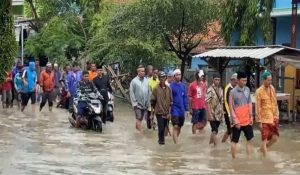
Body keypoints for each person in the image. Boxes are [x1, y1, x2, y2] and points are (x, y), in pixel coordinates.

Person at [229, 72, 254, 159]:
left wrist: (251, 116)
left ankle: (249, 158)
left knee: (250, 139)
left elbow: (249, 102)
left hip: (247, 120)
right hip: (237, 122)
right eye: (243, 80)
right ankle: (234, 159)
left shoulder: (247, 89)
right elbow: (231, 108)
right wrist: (235, 121)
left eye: (246, 80)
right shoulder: (232, 92)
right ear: (238, 80)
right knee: (234, 141)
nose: (245, 82)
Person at [256, 71, 279, 157]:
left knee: (275, 138)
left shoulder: (272, 88)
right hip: (264, 119)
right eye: (269, 80)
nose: (270, 82)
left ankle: (261, 150)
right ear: (264, 80)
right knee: (264, 140)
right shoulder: (259, 91)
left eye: (271, 80)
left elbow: (275, 102)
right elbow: (258, 107)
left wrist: (277, 115)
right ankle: (265, 160)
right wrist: (259, 122)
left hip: (273, 117)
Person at [151, 71, 173, 145]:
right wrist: (151, 114)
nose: (162, 79)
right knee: (160, 129)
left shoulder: (169, 89)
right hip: (159, 112)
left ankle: (161, 142)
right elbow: (152, 102)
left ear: (165, 78)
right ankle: (161, 143)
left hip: (167, 112)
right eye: (160, 77)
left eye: (163, 77)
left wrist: (169, 113)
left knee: (164, 129)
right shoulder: (155, 89)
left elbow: (171, 103)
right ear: (159, 78)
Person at [129, 65, 151, 132]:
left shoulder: (147, 81)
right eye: (142, 71)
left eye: (144, 71)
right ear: (138, 72)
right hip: (137, 104)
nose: (143, 72)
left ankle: (137, 131)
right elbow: (131, 93)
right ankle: (140, 134)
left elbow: (149, 92)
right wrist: (134, 104)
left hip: (145, 104)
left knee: (140, 119)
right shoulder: (134, 81)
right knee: (139, 117)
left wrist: (149, 103)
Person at [170, 69, 188, 144]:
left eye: (179, 74)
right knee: (175, 126)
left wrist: (187, 110)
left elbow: (185, 98)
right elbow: (169, 98)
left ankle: (175, 139)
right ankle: (176, 144)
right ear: (174, 77)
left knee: (180, 127)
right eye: (176, 75)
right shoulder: (171, 86)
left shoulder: (183, 86)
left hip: (181, 110)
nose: (178, 76)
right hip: (174, 109)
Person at [206, 74, 223, 147]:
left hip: (218, 113)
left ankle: (210, 145)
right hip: (212, 114)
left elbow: (222, 102)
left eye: (218, 80)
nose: (217, 81)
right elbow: (207, 102)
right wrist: (209, 114)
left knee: (214, 131)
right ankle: (216, 148)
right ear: (213, 80)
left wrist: (222, 114)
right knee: (215, 130)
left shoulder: (220, 90)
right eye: (216, 79)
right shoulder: (210, 89)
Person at [189, 70, 207, 135]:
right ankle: (194, 136)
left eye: (203, 76)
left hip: (203, 106)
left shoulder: (204, 85)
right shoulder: (192, 85)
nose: (202, 77)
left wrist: (206, 106)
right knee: (195, 122)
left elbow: (205, 96)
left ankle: (200, 136)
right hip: (195, 107)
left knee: (203, 122)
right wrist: (190, 108)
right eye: (201, 76)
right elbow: (190, 97)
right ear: (198, 76)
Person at [222, 73, 238, 143]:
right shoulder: (227, 88)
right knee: (231, 130)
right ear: (232, 80)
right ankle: (233, 146)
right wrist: (229, 114)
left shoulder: (236, 88)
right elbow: (225, 101)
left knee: (229, 130)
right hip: (228, 112)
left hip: (235, 112)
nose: (236, 82)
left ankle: (222, 143)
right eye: (235, 81)